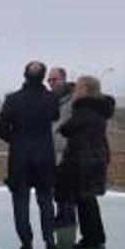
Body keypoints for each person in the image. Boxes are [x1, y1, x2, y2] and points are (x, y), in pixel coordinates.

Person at [0, 61, 60, 249]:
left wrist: (15, 140)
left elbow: (0, 129)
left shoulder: (13, 100)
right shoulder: (50, 99)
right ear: (42, 78)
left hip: (20, 158)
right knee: (46, 201)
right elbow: (54, 116)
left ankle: (26, 242)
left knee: (20, 203)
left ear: (25, 75)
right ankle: (49, 240)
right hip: (44, 156)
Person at [57, 75, 115, 249]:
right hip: (94, 156)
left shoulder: (85, 109)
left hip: (84, 159)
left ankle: (91, 237)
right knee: (88, 200)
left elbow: (67, 128)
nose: (74, 91)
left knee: (85, 200)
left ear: (85, 90)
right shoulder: (100, 109)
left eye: (77, 88)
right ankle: (94, 236)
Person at [47, 67, 78, 228]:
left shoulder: (74, 99)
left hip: (68, 150)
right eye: (49, 80)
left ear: (63, 78)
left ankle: (69, 218)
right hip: (52, 151)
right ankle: (61, 216)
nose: (51, 83)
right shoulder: (49, 99)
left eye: (55, 79)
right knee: (57, 188)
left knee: (68, 187)